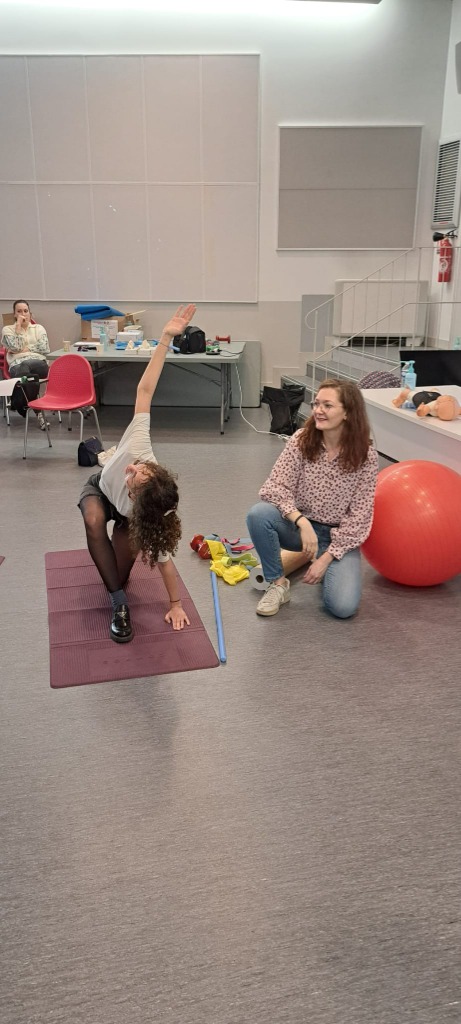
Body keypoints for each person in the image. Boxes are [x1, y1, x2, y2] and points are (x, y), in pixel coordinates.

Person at [78, 304, 196, 644]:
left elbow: (166, 563)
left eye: (133, 478)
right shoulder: (141, 446)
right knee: (93, 522)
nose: (130, 467)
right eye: (140, 469)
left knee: (117, 572)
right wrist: (165, 338)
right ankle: (119, 605)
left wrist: (175, 604)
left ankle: (117, 583)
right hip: (99, 491)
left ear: (135, 499)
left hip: (130, 517)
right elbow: (145, 390)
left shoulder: (147, 515)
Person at [246, 379, 378, 619]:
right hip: (299, 528)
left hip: (338, 538)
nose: (318, 410)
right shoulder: (301, 439)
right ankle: (278, 584)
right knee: (259, 514)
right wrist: (301, 521)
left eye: (327, 405)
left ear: (348, 412)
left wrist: (326, 559)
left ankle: (324, 565)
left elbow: (359, 517)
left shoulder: (365, 455)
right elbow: (273, 487)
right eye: (316, 403)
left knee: (343, 608)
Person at [1, 299, 50, 429]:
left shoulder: (38, 328)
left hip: (38, 363)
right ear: (14, 314)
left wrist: (26, 349)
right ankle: (31, 407)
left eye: (25, 311)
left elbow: (44, 348)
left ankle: (18, 400)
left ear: (30, 313)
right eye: (19, 311)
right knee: (28, 373)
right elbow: (16, 347)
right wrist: (18, 327)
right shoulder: (8, 330)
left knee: (26, 366)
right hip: (16, 366)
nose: (23, 314)